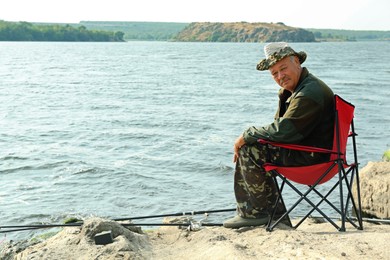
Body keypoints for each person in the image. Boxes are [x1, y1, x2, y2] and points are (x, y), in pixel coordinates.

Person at [223, 42, 335, 229]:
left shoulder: (308, 92)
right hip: (313, 151)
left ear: (297, 62)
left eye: (283, 68)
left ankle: (256, 213)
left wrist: (247, 134)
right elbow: (280, 130)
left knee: (251, 149)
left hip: (312, 157)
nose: (280, 76)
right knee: (255, 143)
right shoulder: (298, 88)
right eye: (274, 73)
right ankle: (273, 215)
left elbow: (283, 132)